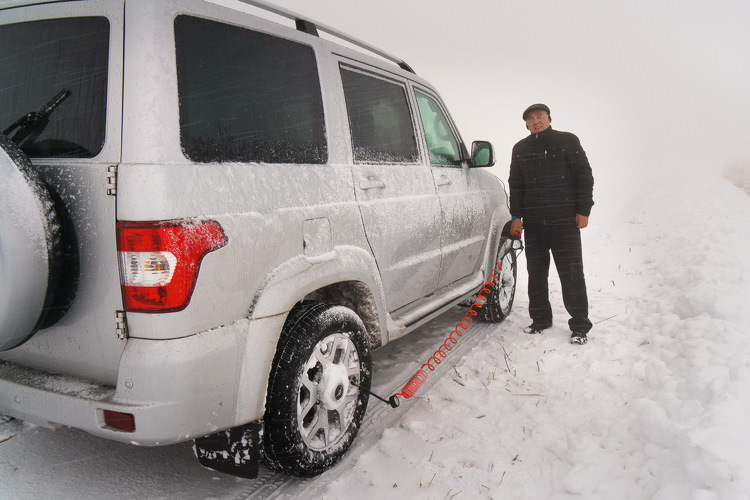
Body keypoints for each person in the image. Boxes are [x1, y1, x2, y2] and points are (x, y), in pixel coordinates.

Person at [508, 104, 594, 344]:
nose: (536, 121)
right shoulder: (521, 148)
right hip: (534, 223)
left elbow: (584, 176)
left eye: (540, 116)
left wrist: (583, 210)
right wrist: (517, 216)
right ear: (526, 124)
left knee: (572, 274)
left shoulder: (567, 141)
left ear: (548, 118)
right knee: (536, 274)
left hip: (564, 221)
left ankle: (579, 326)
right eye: (531, 119)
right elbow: (516, 183)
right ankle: (540, 320)